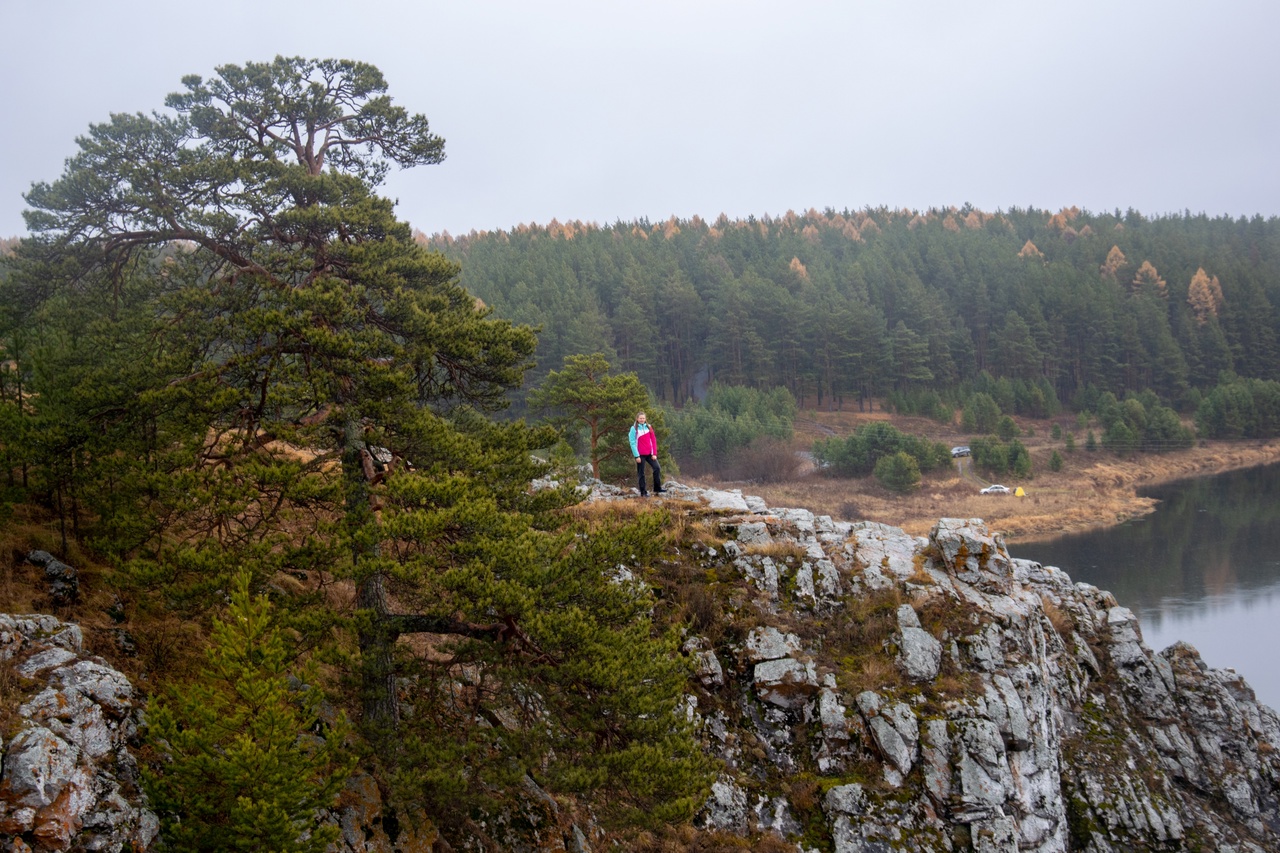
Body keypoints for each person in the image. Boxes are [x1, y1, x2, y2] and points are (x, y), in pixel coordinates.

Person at [629, 411, 664, 497]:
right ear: (637, 419)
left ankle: (657, 488)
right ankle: (643, 492)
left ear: (645, 419)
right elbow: (632, 442)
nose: (642, 420)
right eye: (640, 418)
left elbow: (653, 440)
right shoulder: (634, 428)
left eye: (643, 418)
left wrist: (654, 453)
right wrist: (636, 456)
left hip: (649, 454)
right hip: (640, 455)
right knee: (641, 473)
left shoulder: (649, 427)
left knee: (657, 468)